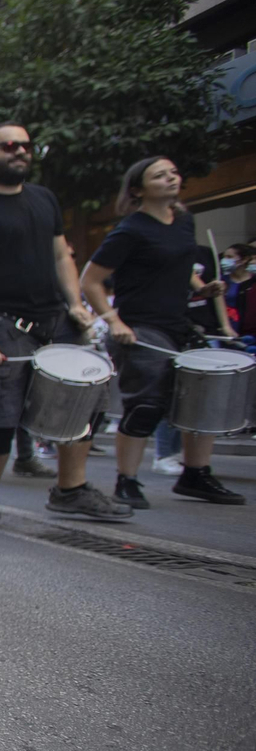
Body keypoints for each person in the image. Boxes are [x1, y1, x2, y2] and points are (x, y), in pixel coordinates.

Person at [0, 121, 132, 527]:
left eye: (26, 146)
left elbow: (62, 256)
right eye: (9, 146)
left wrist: (76, 303)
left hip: (55, 319)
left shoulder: (44, 201)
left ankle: (71, 491)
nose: (20, 152)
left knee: (78, 404)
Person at [79, 156, 244, 508]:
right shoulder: (129, 230)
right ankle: (127, 480)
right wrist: (115, 322)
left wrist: (201, 288)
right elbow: (89, 281)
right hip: (140, 327)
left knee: (204, 398)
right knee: (146, 405)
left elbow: (179, 263)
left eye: (173, 173)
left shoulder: (183, 221)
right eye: (160, 175)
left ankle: (195, 475)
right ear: (138, 190)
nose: (172, 178)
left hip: (178, 323)